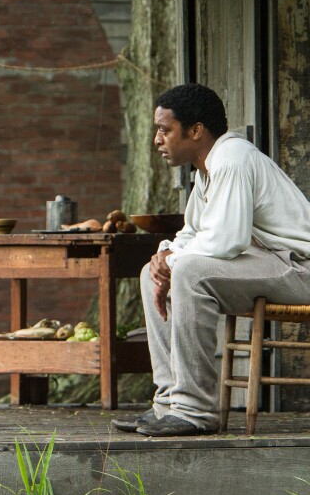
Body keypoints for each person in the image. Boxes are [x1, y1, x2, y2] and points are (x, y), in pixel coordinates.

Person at [112, 83, 310, 438]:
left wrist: (174, 261)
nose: (158, 140)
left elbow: (226, 240)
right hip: (268, 261)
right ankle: (169, 402)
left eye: (165, 130)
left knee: (186, 269)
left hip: (300, 267)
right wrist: (162, 258)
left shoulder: (232, 160)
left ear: (196, 130)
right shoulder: (206, 170)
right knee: (150, 273)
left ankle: (194, 410)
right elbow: (192, 233)